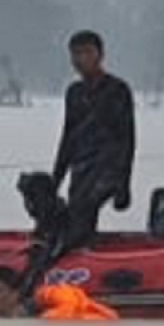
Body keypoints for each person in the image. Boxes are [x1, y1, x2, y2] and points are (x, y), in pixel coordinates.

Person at [51, 29, 136, 251]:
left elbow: (126, 138)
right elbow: (68, 136)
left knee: (84, 210)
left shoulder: (117, 90)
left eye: (87, 53)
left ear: (100, 55)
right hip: (81, 167)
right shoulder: (74, 93)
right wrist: (56, 177)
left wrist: (123, 184)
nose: (81, 60)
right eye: (76, 54)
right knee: (73, 218)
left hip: (107, 168)